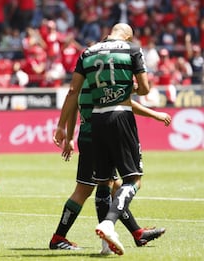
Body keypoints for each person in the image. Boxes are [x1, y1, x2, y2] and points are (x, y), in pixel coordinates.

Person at [57, 23, 152, 256]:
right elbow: (146, 89)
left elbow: (73, 92)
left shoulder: (87, 52)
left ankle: (110, 243)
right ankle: (109, 223)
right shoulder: (131, 50)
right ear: (128, 36)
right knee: (133, 180)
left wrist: (62, 128)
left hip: (95, 120)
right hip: (120, 115)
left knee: (104, 181)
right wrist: (129, 88)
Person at [50, 78, 169, 253]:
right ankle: (63, 238)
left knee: (115, 187)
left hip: (87, 135)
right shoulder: (101, 81)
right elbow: (123, 103)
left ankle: (137, 233)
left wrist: (70, 137)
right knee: (94, 187)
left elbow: (74, 104)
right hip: (100, 136)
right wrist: (155, 114)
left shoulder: (84, 79)